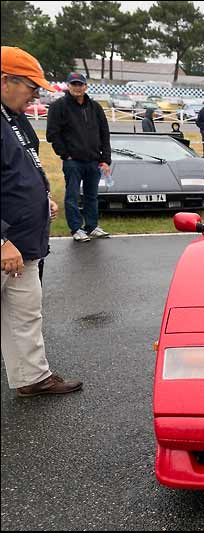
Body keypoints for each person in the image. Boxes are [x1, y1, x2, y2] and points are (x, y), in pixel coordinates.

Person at [1, 46, 83, 397]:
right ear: (5, 80)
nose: (36, 94)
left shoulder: (14, 118)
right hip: (7, 243)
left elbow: (23, 169)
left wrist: (42, 198)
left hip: (25, 242)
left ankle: (32, 377)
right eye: (31, 86)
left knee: (26, 315)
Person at [46, 72, 111, 242]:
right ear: (68, 86)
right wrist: (65, 154)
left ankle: (92, 226)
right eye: (73, 84)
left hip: (93, 161)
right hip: (72, 162)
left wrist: (105, 159)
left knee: (91, 196)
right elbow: (52, 134)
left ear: (85, 86)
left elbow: (104, 133)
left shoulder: (95, 107)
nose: (77, 87)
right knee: (72, 196)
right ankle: (76, 228)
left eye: (80, 84)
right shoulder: (58, 106)